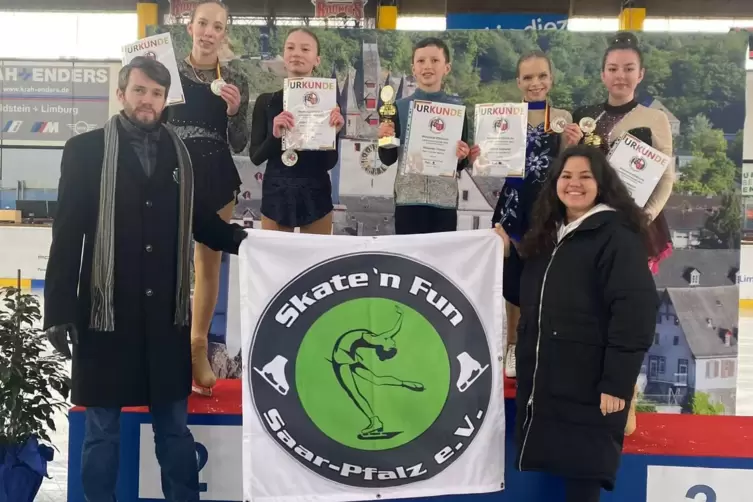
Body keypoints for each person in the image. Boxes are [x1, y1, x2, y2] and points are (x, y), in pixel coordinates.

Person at [43, 57, 247, 502]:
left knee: (174, 433)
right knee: (101, 434)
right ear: (121, 95)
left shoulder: (182, 155)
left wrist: (248, 243)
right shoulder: (85, 150)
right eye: (139, 91)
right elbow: (67, 236)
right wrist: (58, 312)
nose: (147, 101)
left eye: (156, 93)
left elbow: (200, 223)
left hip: (165, 321)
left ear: (165, 99)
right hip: (104, 316)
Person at [494, 145, 658, 502]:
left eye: (585, 177)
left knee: (584, 479)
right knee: (569, 476)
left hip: (591, 381)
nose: (574, 184)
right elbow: (528, 295)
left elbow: (636, 313)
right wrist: (507, 257)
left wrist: (617, 383)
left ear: (602, 184)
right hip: (553, 379)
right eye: (566, 176)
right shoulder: (551, 234)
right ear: (555, 183)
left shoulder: (618, 237)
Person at [572, 31, 673, 435]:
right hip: (592, 226)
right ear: (602, 74)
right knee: (590, 316)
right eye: (613, 68)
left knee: (624, 319)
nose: (620, 75)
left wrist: (646, 216)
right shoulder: (586, 117)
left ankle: (624, 407)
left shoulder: (655, 119)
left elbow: (666, 177)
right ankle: (588, 400)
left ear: (641, 73)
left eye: (628, 68)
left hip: (634, 229)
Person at [469, 50, 581, 379]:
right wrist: (478, 154)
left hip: (547, 207)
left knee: (545, 279)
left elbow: (567, 167)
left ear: (551, 78)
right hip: (513, 205)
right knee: (513, 280)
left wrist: (571, 144)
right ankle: (513, 345)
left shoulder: (563, 118)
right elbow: (487, 165)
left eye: (541, 76)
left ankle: (542, 346)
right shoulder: (503, 115)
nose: (535, 83)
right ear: (518, 82)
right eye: (528, 77)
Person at [166, 0, 250, 396]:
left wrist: (234, 113)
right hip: (169, 175)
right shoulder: (165, 71)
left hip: (216, 175)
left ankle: (198, 347)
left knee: (208, 265)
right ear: (190, 26)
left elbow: (241, 143)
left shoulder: (235, 79)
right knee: (163, 261)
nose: (209, 32)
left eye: (217, 26)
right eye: (203, 23)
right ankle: (162, 348)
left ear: (224, 33)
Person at [249, 28, 344, 233]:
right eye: (290, 47)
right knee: (274, 264)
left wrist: (333, 135)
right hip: (276, 196)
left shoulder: (329, 104)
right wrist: (275, 137)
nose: (297, 53)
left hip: (316, 196)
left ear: (316, 59)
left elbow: (329, 163)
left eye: (305, 49)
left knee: (317, 263)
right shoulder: (266, 102)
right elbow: (256, 157)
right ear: (284, 56)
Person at [377, 37, 470, 234]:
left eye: (435, 60)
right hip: (408, 201)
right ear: (413, 69)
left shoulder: (458, 110)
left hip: (444, 202)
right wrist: (385, 140)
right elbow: (388, 159)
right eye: (421, 61)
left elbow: (460, 164)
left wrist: (463, 155)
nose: (428, 66)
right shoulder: (397, 108)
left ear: (447, 67)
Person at [331, 305, 424, 438]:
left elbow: (394, 330)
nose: (394, 343)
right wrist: (401, 316)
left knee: (366, 385)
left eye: (392, 346)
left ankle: (377, 420)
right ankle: (375, 420)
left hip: (346, 357)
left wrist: (401, 316)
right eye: (393, 345)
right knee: (364, 387)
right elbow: (392, 332)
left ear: (384, 347)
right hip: (344, 358)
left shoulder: (380, 339)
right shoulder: (378, 339)